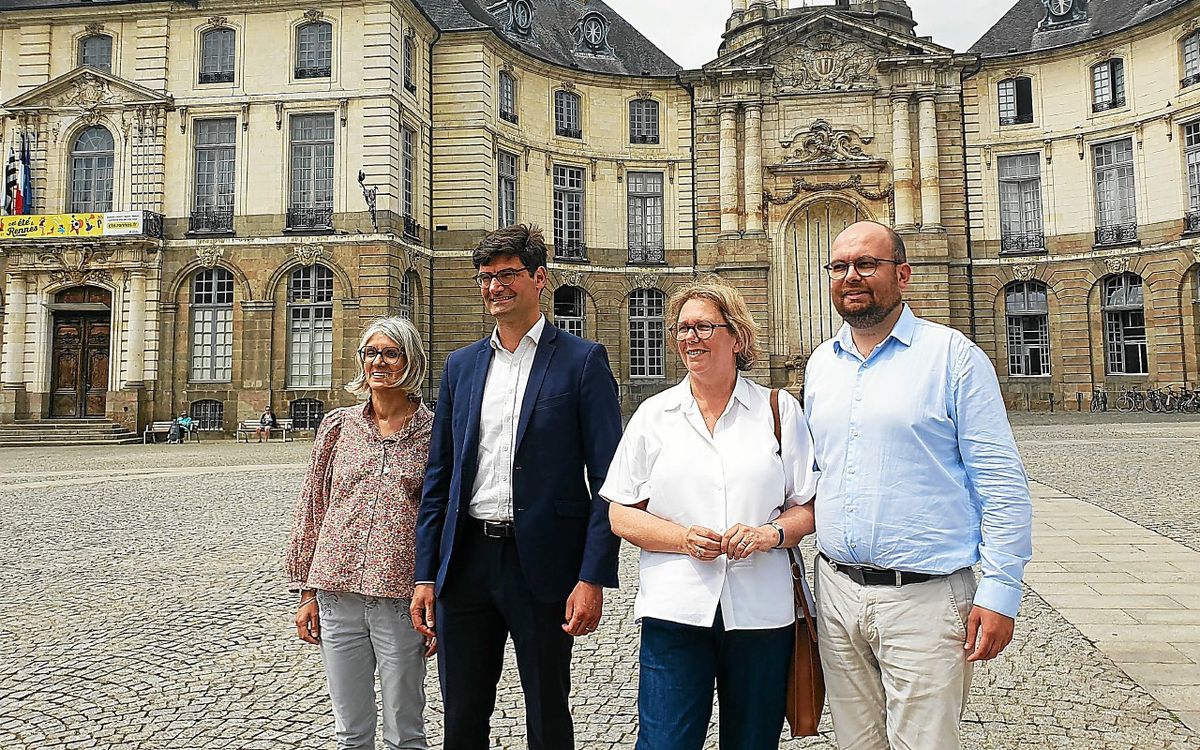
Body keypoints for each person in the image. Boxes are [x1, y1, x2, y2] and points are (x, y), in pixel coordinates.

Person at [803, 221, 1033, 750]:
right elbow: (818, 475)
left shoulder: (952, 357)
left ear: (902, 275)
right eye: (839, 267)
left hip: (925, 599)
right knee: (856, 743)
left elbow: (1000, 482)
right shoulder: (821, 366)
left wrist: (1001, 591)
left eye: (867, 264)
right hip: (837, 591)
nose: (851, 277)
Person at [411, 224, 622, 750]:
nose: (494, 287)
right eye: (486, 277)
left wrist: (592, 575)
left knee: (548, 715)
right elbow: (440, 477)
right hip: (466, 564)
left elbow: (610, 481)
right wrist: (425, 574)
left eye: (508, 275)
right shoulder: (461, 365)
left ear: (540, 279)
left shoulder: (581, 360)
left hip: (544, 566)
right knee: (461, 716)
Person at [600, 278, 817, 750]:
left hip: (761, 611)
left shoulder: (779, 411)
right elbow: (620, 512)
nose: (689, 338)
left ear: (736, 337)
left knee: (753, 742)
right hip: (676, 610)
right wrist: (681, 539)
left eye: (702, 327)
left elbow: (808, 507)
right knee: (665, 743)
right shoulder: (653, 416)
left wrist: (770, 534)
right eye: (681, 329)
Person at [285, 317, 435, 750]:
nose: (378, 362)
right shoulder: (337, 427)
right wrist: (306, 592)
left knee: (405, 731)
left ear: (410, 362)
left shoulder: (435, 431)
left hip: (400, 597)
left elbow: (440, 518)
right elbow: (313, 505)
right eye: (370, 352)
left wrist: (438, 594)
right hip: (337, 594)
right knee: (351, 732)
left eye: (391, 353)